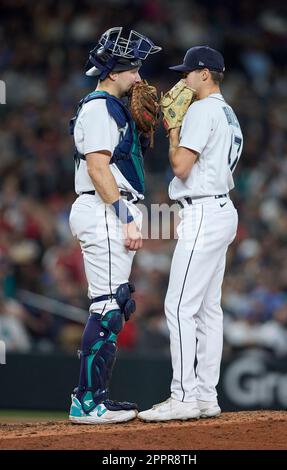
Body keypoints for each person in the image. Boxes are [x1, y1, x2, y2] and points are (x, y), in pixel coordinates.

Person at [138, 46, 243, 421]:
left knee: (179, 305)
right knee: (208, 309)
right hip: (221, 209)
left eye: (187, 73)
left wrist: (173, 128)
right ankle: (205, 395)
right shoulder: (228, 113)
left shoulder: (202, 109)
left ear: (204, 73)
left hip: (202, 211)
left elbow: (181, 166)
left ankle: (183, 396)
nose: (182, 79)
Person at [68, 27, 161, 424]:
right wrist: (125, 218)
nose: (139, 78)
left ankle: (96, 397)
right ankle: (88, 402)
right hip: (106, 209)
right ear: (115, 70)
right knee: (107, 309)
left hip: (108, 209)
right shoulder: (100, 106)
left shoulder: (110, 107)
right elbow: (97, 166)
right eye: (134, 69)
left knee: (114, 305)